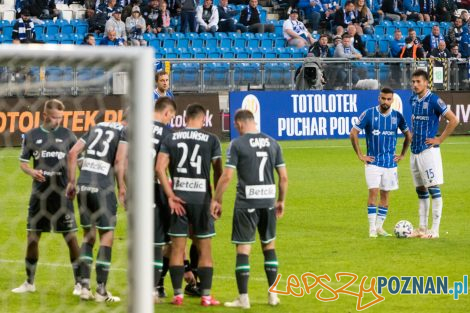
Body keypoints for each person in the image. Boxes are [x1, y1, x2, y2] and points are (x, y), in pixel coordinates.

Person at [210, 109, 288, 309]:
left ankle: (243, 299)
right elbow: (284, 177)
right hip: (268, 202)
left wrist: (216, 200)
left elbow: (227, 177)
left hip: (247, 202)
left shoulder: (237, 144)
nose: (236, 129)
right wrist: (281, 200)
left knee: (244, 249)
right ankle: (273, 295)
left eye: (236, 126)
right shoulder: (273, 143)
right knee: (269, 246)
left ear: (240, 123)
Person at [156, 103, 223, 306]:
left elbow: (159, 168)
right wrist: (217, 199)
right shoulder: (211, 139)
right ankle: (206, 297)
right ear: (203, 119)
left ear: (185, 118)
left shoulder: (171, 138)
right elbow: (218, 171)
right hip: (202, 200)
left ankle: (177, 295)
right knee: (204, 249)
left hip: (179, 199)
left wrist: (169, 195)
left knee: (177, 248)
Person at [13, 99, 81, 295]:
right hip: (39, 196)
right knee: (32, 237)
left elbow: (78, 160)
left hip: (62, 195)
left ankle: (79, 284)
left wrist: (76, 182)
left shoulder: (68, 135)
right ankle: (29, 283)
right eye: (54, 117)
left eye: (61, 118)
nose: (58, 121)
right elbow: (24, 163)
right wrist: (32, 172)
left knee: (71, 238)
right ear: (45, 115)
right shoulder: (31, 135)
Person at [66, 119, 127, 302]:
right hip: (103, 187)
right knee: (107, 235)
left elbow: (72, 153)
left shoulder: (96, 127)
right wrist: (122, 187)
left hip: (84, 185)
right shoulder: (125, 131)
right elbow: (118, 160)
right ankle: (101, 291)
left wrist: (72, 182)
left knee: (88, 235)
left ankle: (84, 287)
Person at [350, 88, 412, 237]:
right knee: (373, 193)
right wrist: (360, 155)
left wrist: (402, 154)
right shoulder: (369, 114)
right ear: (379, 98)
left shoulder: (397, 117)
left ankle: (379, 227)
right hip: (373, 162)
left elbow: (408, 136)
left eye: (388, 99)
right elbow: (353, 133)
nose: (386, 102)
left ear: (392, 100)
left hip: (390, 164)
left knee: (385, 196)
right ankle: (372, 229)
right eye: (383, 99)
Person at [408, 69, 458, 239]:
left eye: (418, 82)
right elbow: (415, 121)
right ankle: (422, 228)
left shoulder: (434, 100)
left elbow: (454, 120)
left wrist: (439, 140)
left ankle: (434, 231)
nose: (415, 84)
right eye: (413, 81)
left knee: (433, 189)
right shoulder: (413, 99)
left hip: (428, 152)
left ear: (426, 83)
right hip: (414, 151)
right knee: (420, 190)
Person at [150, 97, 177, 303]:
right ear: (167, 113)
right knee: (162, 241)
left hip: (135, 187)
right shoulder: (168, 134)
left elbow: (121, 159)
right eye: (172, 117)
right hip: (157, 188)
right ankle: (155, 287)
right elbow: (166, 168)